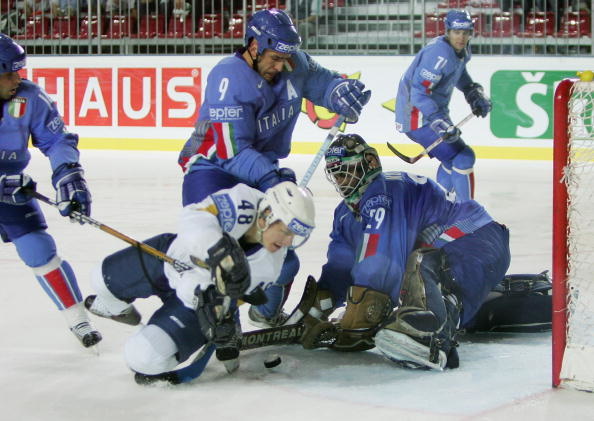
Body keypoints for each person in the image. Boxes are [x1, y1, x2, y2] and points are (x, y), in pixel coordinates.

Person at [178, 8, 371, 329]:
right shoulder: (229, 77)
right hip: (212, 170)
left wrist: (341, 93)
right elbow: (233, 151)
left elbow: (324, 84)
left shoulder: (292, 63)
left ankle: (263, 315)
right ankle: (209, 321)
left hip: (262, 171)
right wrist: (273, 179)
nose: (281, 66)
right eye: (274, 58)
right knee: (225, 256)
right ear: (254, 45)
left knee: (283, 258)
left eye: (286, 58)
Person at [300, 133, 511, 370]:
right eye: (337, 174)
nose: (342, 180)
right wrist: (318, 307)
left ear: (369, 163)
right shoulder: (345, 214)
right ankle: (493, 303)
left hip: (477, 239)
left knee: (422, 265)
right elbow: (341, 266)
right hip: (468, 252)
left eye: (347, 171)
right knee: (418, 276)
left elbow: (380, 262)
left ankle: (432, 336)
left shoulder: (384, 191)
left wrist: (363, 316)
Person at [84, 181, 315, 380]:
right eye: (285, 231)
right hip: (169, 258)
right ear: (266, 217)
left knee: (142, 358)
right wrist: (217, 248)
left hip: (196, 301)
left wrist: (218, 311)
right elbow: (194, 215)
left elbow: (222, 292)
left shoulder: (270, 265)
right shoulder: (243, 201)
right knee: (100, 279)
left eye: (293, 235)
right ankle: (120, 310)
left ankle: (223, 327)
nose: (288, 241)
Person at [0, 34, 101, 348]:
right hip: (7, 187)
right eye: (8, 73)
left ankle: (78, 320)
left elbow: (57, 141)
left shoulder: (29, 98)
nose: (18, 78)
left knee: (39, 248)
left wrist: (69, 176)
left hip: (9, 192)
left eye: (18, 71)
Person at [394, 10, 492, 201]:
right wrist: (439, 122)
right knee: (464, 158)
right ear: (448, 31)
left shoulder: (461, 50)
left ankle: (439, 209)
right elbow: (418, 94)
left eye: (465, 33)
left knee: (451, 160)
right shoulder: (439, 54)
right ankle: (468, 214)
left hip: (431, 113)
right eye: (456, 32)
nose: (461, 37)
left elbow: (458, 74)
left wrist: (472, 93)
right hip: (417, 116)